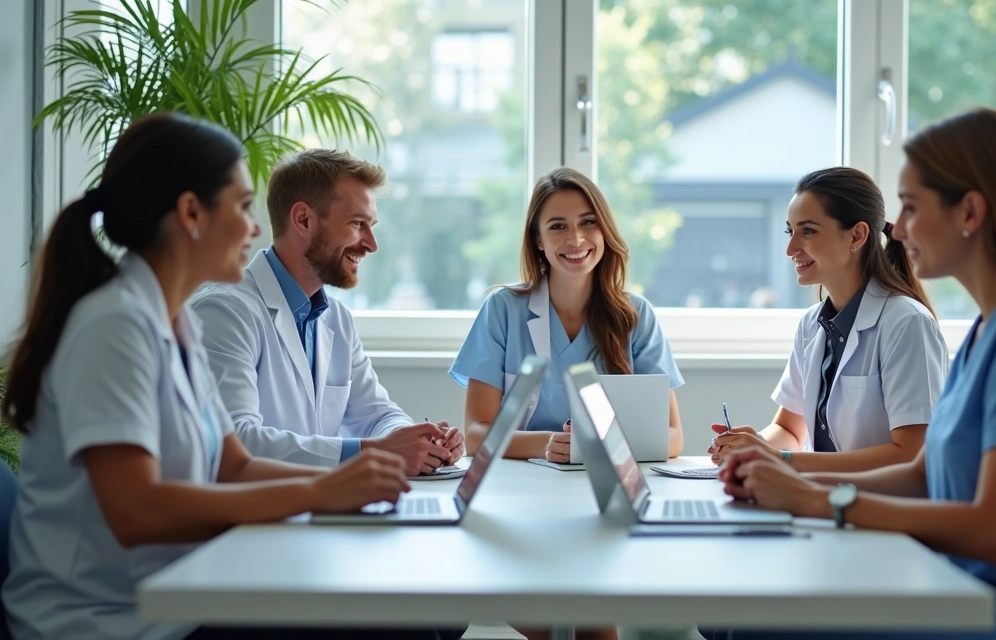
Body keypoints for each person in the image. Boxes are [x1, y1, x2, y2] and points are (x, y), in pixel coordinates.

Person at [0, 113, 463, 640]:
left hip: (178, 593)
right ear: (191, 214)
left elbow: (234, 464)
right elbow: (136, 511)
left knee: (424, 616)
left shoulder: (174, 323)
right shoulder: (115, 326)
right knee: (410, 625)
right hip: (107, 622)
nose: (253, 228)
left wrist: (348, 480)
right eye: (242, 208)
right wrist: (323, 489)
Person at [715, 108, 996, 639]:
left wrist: (812, 499)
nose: (895, 228)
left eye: (912, 206)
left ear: (969, 211)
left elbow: (994, 531)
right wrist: (787, 475)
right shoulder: (993, 330)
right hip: (973, 592)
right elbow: (924, 474)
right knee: (744, 617)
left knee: (760, 625)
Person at [191, 149, 462, 474]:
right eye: (357, 223)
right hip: (250, 517)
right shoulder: (225, 311)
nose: (372, 244)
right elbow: (236, 443)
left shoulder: (336, 318)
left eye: (371, 225)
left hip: (313, 507)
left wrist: (420, 443)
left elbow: (376, 414)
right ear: (303, 220)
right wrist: (373, 452)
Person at [708, 168, 947, 473]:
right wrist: (750, 448)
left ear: (857, 235)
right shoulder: (811, 324)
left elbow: (912, 455)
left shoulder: (907, 324)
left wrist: (781, 460)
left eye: (807, 231)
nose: (791, 248)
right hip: (819, 499)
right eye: (789, 231)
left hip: (878, 508)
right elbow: (791, 430)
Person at [450, 167, 684, 466]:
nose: (576, 239)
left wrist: (602, 446)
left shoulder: (636, 315)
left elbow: (673, 435)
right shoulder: (502, 310)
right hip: (523, 482)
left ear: (604, 230)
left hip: (610, 478)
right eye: (558, 226)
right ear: (538, 240)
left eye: (588, 222)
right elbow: (475, 434)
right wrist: (548, 444)